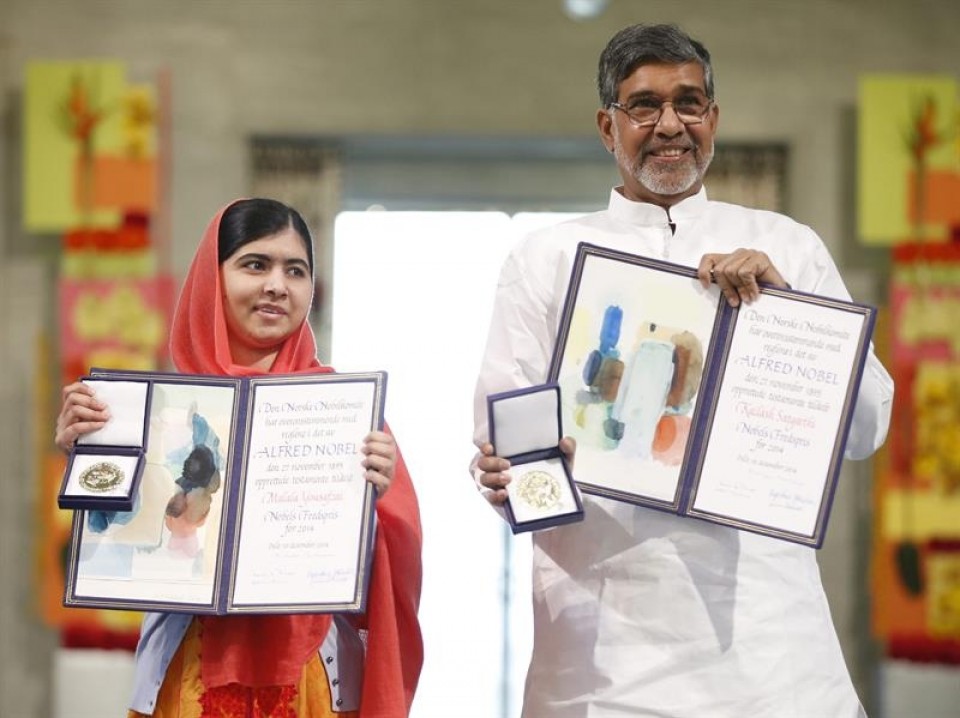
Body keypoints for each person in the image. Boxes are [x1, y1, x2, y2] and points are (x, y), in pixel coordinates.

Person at [472, 23, 893, 718]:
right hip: (600, 657)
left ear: (714, 120)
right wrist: (514, 477)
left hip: (771, 655)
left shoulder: (785, 245)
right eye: (644, 106)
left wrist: (788, 318)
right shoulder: (546, 259)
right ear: (608, 126)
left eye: (689, 103)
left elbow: (867, 428)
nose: (670, 125)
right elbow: (512, 455)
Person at [56, 198, 423, 717]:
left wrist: (379, 504)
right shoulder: (161, 414)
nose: (278, 285)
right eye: (256, 264)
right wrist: (90, 453)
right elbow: (122, 539)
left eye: (296, 270)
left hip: (312, 679)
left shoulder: (346, 414)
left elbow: (388, 570)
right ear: (214, 276)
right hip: (186, 670)